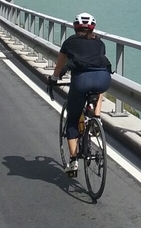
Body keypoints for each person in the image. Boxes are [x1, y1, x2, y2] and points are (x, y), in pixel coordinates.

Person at [48, 12, 112, 173]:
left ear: (75, 27)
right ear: (93, 28)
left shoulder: (69, 42)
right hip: (103, 79)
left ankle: (73, 161)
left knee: (72, 121)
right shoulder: (100, 42)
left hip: (81, 81)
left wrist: (55, 78)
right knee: (99, 90)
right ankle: (97, 116)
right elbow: (98, 60)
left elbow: (59, 65)